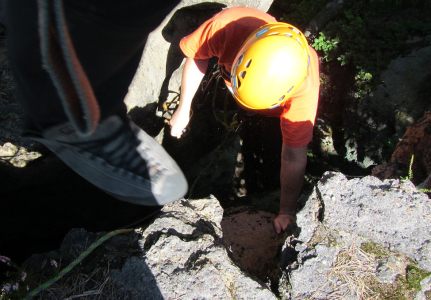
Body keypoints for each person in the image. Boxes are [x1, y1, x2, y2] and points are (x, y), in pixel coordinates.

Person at [3, 0, 188, 206]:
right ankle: (65, 113)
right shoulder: (221, 29)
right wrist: (185, 106)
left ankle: (90, 106)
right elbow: (198, 55)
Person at [169, 6, 320, 233]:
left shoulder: (304, 88)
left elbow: (293, 156)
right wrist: (183, 108)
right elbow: (197, 55)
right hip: (233, 80)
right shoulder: (227, 27)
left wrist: (286, 211)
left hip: (266, 108)